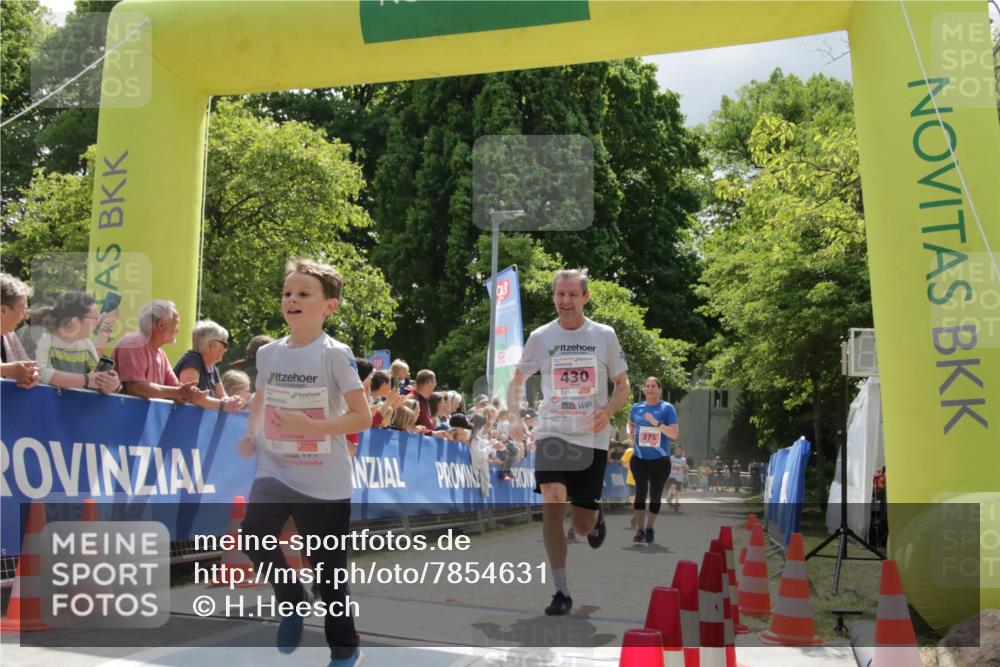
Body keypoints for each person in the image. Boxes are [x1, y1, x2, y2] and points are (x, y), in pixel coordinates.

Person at [237, 257, 369, 667]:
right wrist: (250, 432)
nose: (292, 300)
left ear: (329, 306)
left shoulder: (335, 354)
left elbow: (362, 417)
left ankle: (345, 650)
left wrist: (309, 428)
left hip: (324, 480)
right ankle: (291, 594)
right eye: (287, 293)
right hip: (275, 467)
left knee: (329, 575)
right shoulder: (269, 354)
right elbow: (260, 396)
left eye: (303, 294)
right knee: (253, 536)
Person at [507, 268, 630, 616]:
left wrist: (608, 409)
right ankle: (561, 591)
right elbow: (517, 380)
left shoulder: (604, 335)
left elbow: (622, 385)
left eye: (573, 295)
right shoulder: (541, 336)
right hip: (553, 431)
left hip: (591, 437)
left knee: (581, 525)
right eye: (560, 294)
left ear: (585, 297)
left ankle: (595, 517)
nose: (565, 301)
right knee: (552, 497)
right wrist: (515, 417)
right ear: (554, 297)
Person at [111, 300, 210, 407]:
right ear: (161, 325)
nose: (178, 329)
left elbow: (176, 388)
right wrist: (179, 392)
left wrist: (189, 393)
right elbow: (136, 388)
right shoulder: (133, 343)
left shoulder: (161, 354)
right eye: (176, 323)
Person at [33, 290, 120, 394]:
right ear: (74, 321)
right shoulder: (44, 339)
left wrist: (111, 384)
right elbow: (41, 374)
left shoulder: (87, 344)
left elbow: (96, 382)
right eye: (95, 317)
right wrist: (87, 380)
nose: (98, 321)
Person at [626, 376, 678, 544]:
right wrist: (630, 433)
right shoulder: (636, 407)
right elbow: (630, 424)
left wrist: (655, 423)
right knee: (640, 494)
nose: (650, 389)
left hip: (660, 460)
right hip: (639, 458)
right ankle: (640, 530)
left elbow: (674, 434)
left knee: (655, 495)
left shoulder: (667, 408)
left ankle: (649, 528)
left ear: (659, 390)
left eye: (653, 386)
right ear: (643, 389)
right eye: (647, 386)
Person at [174, 319, 243, 412]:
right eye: (225, 344)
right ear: (213, 345)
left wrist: (232, 401)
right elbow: (190, 396)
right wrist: (223, 405)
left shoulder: (211, 367)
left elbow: (222, 396)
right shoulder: (193, 360)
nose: (226, 349)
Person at [1, 273, 39, 388]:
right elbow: (11, 369)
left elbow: (25, 366)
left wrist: (32, 374)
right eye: (23, 311)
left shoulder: (10, 336)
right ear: (3, 310)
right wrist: (6, 370)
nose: (26, 317)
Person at [666, 446, 689, 510]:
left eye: (679, 450)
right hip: (672, 476)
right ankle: (669, 498)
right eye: (676, 450)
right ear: (674, 451)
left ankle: (676, 502)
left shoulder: (683, 459)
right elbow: (667, 465)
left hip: (680, 476)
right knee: (672, 486)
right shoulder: (671, 458)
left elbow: (684, 468)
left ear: (681, 451)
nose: (678, 451)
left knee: (677, 491)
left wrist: (686, 472)